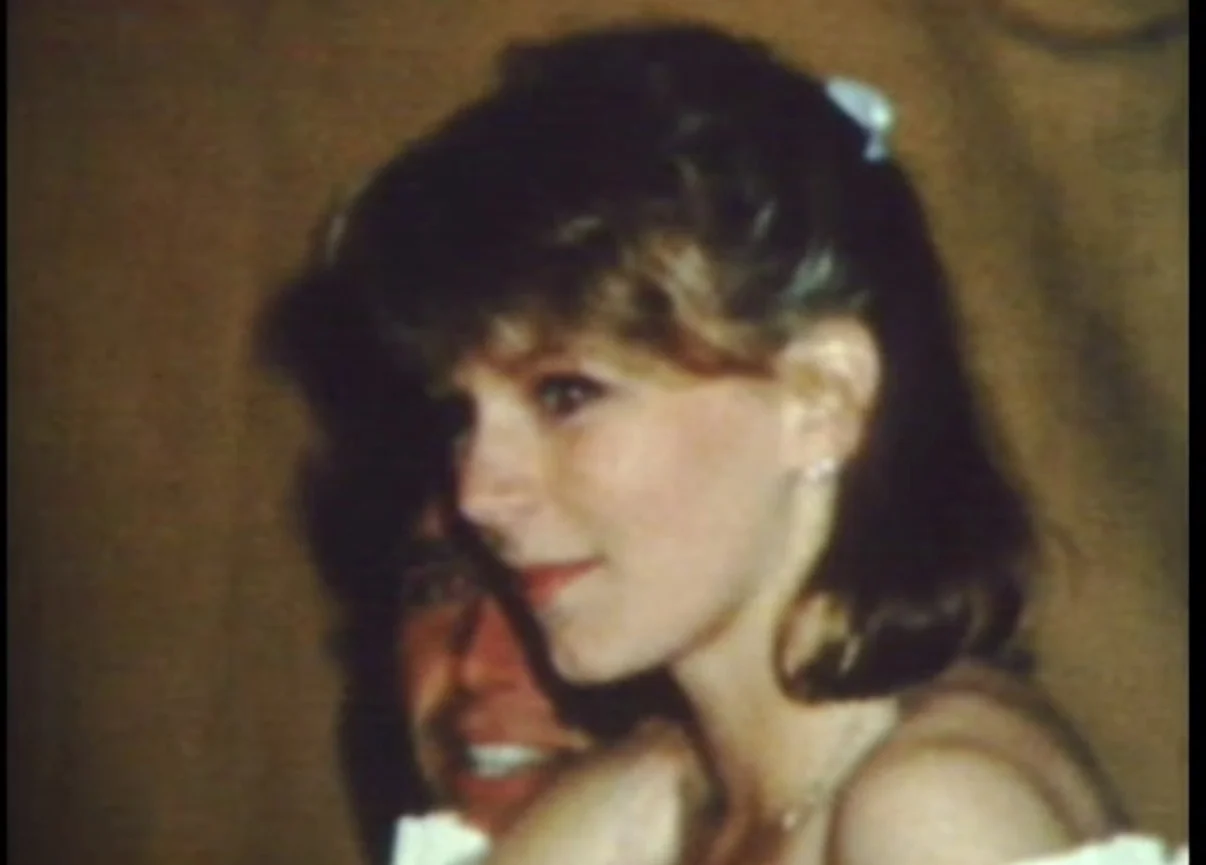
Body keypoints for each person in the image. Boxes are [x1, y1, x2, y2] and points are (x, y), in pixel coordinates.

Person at [325, 21, 1151, 865]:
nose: (478, 493)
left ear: (820, 397)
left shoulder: (934, 809)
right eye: (464, 414)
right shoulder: (666, 796)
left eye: (566, 395)